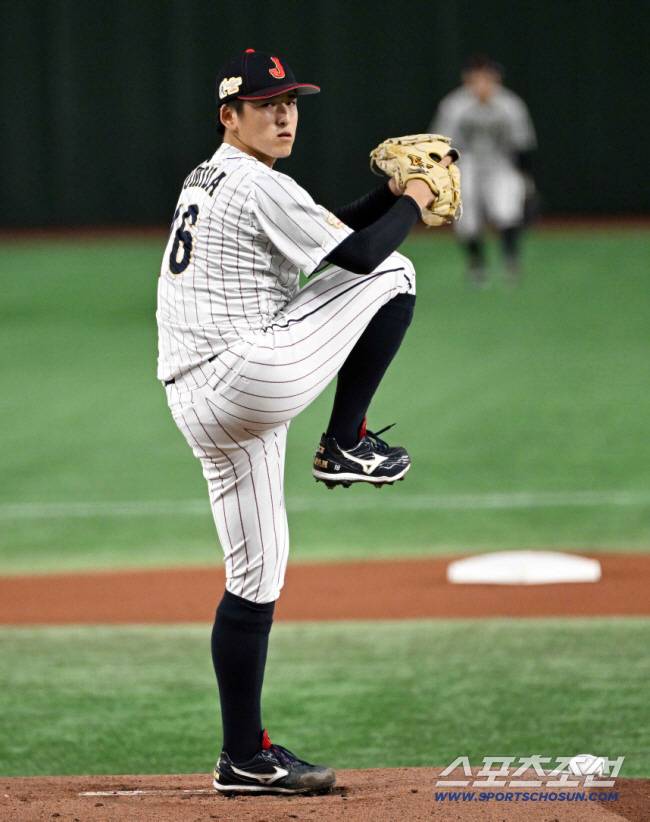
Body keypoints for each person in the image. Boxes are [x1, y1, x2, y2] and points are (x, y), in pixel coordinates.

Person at [156, 48, 454, 795]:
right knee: (395, 272)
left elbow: (328, 232)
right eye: (266, 104)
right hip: (245, 375)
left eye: (291, 101)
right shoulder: (257, 180)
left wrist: (388, 194)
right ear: (231, 116)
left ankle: (243, 757)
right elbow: (357, 257)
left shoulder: (214, 176)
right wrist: (414, 200)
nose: (284, 113)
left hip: (203, 399)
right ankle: (346, 441)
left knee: (256, 575)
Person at [431, 55, 537, 284]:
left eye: (487, 77)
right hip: (464, 163)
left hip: (501, 162)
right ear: (467, 79)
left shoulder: (510, 104)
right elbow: (440, 145)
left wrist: (526, 178)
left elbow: (523, 144)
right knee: (466, 218)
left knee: (507, 211)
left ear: (496, 79)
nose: (482, 83)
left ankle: (511, 261)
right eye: (476, 77)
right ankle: (477, 265)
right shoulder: (454, 105)